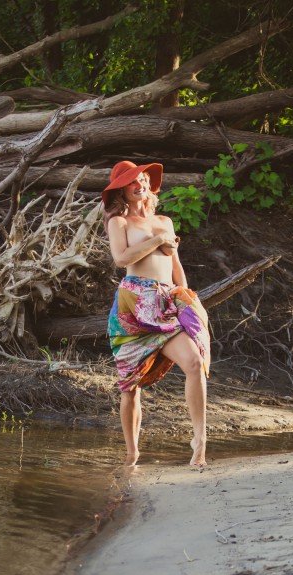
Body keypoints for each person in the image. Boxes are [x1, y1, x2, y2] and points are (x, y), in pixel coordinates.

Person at [103, 160, 211, 467]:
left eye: (144, 180)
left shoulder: (165, 221)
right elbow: (121, 259)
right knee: (130, 387)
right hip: (133, 304)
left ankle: (199, 443)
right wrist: (157, 242)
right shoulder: (119, 223)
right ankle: (132, 454)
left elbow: (177, 269)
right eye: (132, 182)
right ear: (121, 189)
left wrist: (187, 298)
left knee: (193, 361)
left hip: (165, 301)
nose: (140, 185)